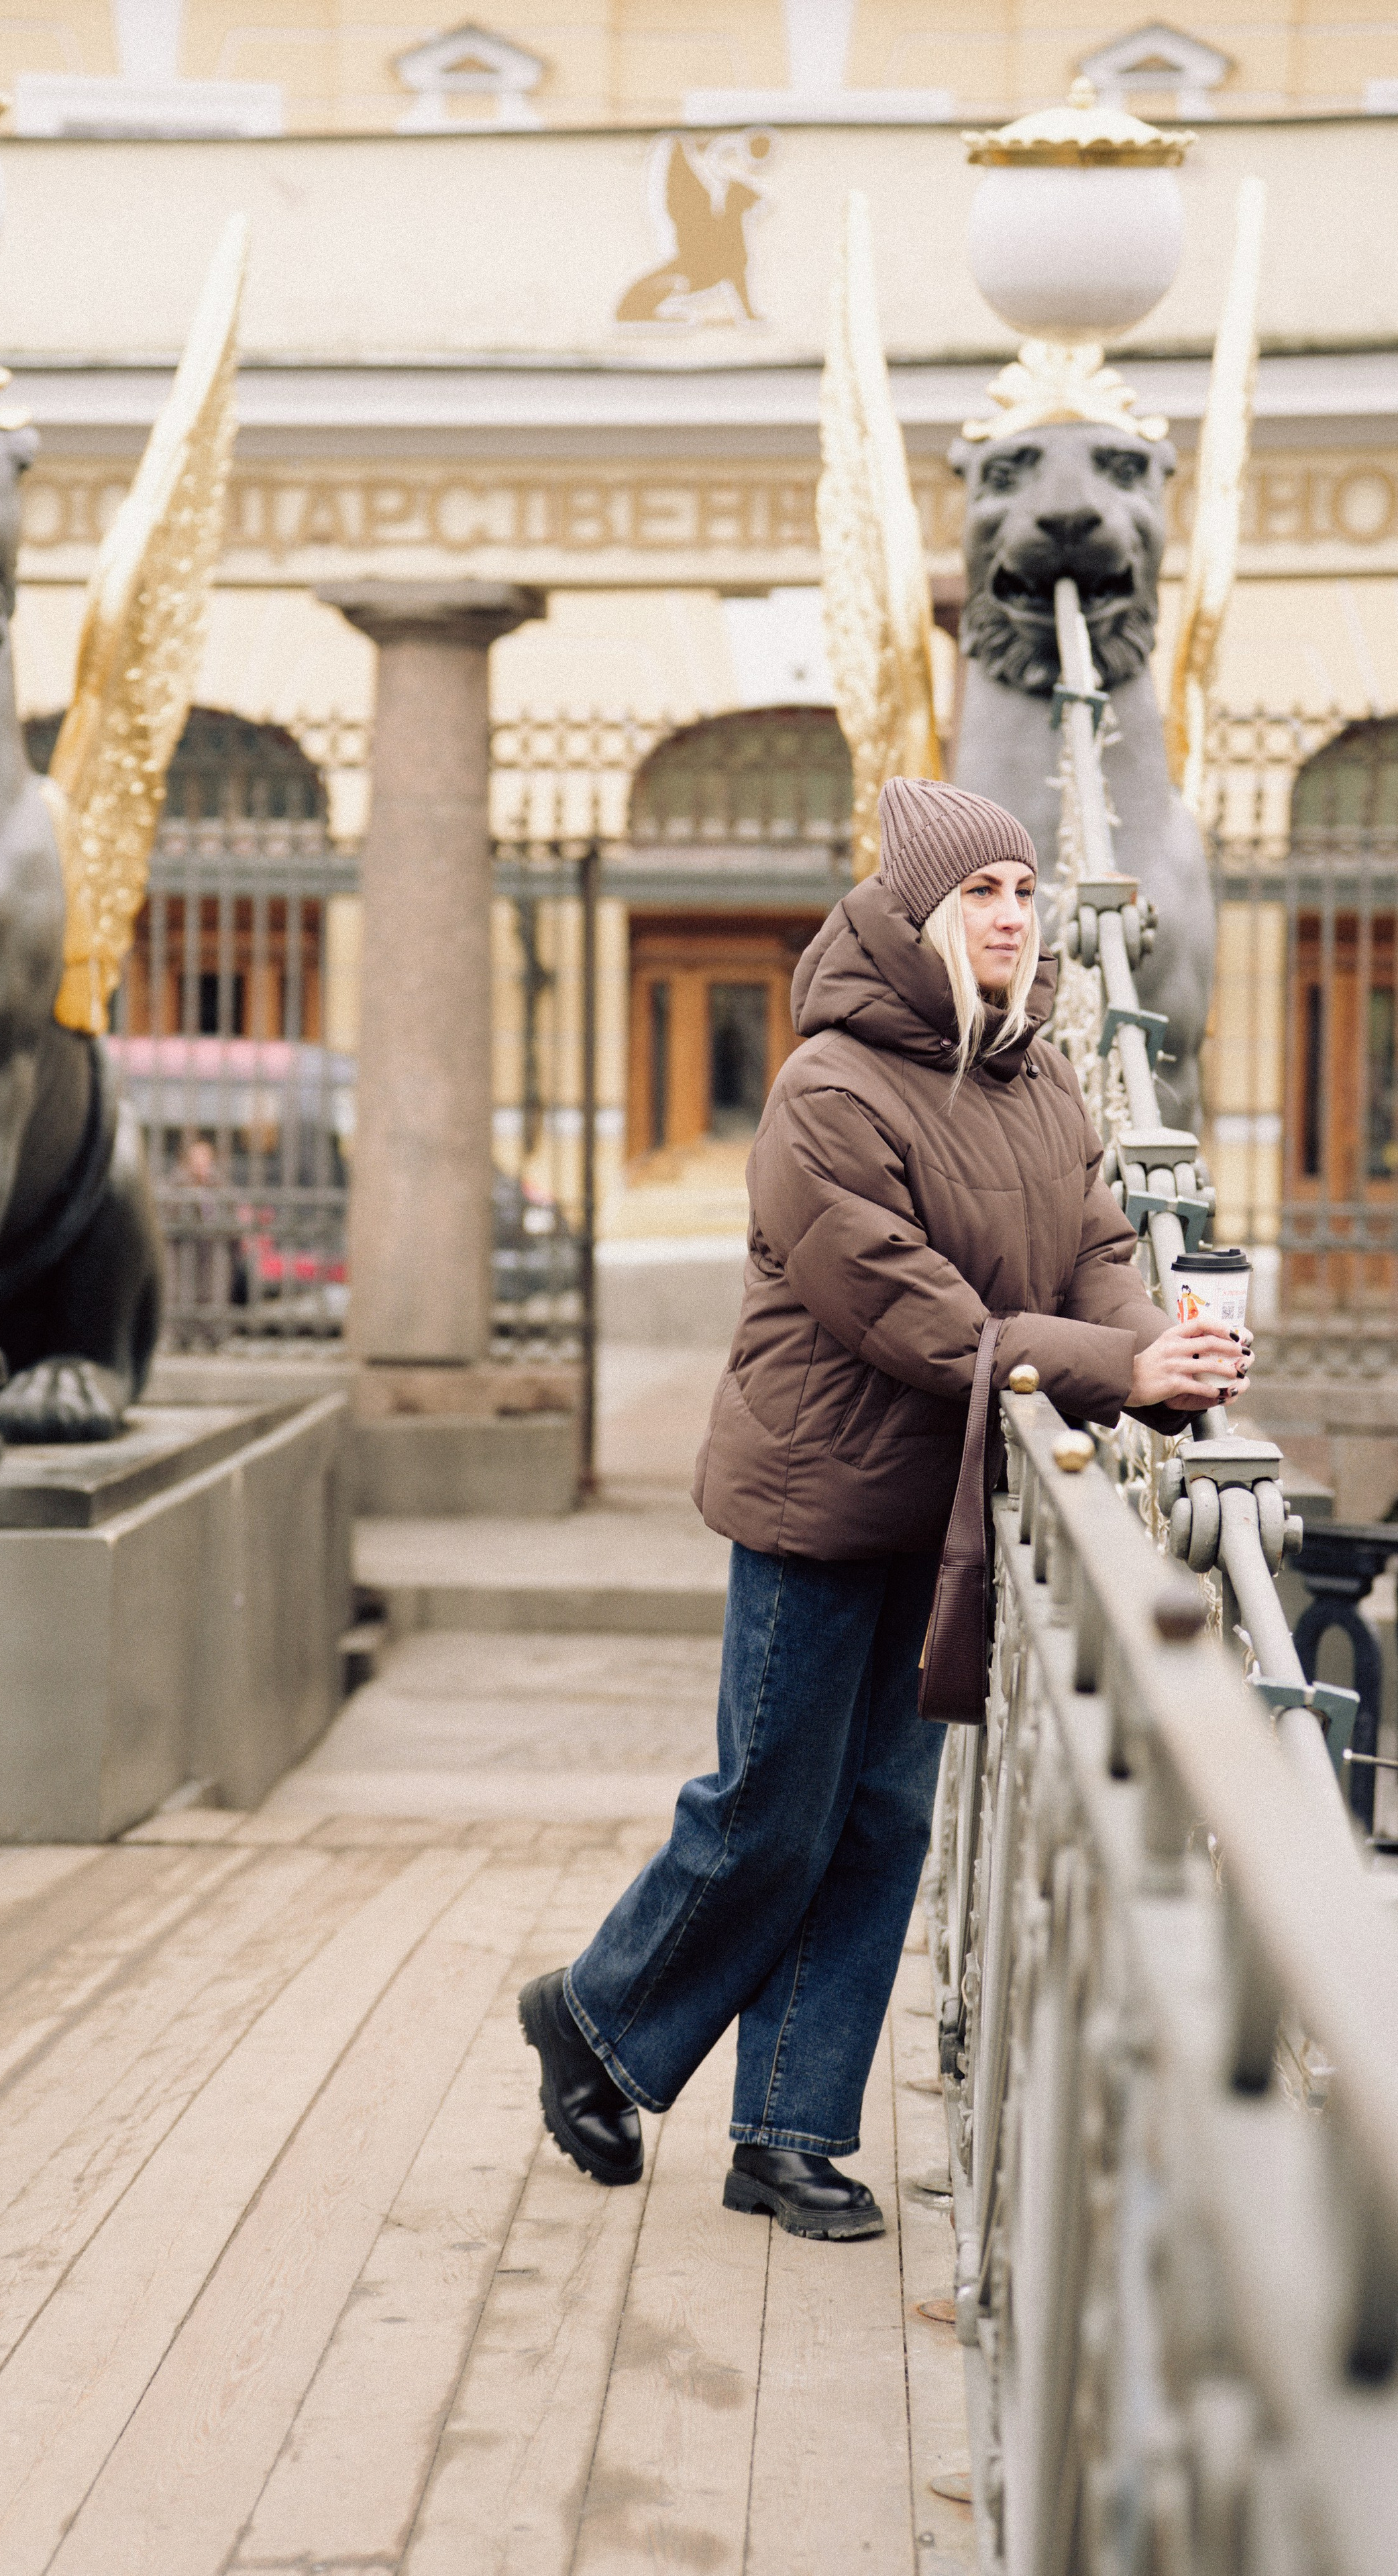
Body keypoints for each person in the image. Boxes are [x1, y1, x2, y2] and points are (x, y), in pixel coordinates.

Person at [519, 775, 1247, 2241]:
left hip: (947, 1504)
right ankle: (591, 2020)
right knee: (770, 1813)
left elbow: (1096, 1245)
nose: (1009, 915)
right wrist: (1120, 1364)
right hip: (815, 1500)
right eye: (977, 892)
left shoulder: (1034, 1073)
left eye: (1024, 891)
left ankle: (787, 2135)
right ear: (916, 914)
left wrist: (1159, 1349)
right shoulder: (828, 1091)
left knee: (882, 1824)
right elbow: (912, 1317)